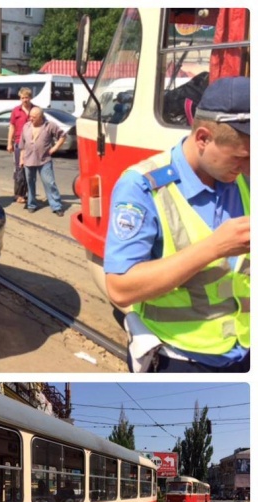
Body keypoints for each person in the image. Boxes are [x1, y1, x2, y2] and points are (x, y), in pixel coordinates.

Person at [104, 76, 250, 373]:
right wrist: (214, 247)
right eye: (240, 157)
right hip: (179, 359)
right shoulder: (142, 186)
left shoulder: (244, 178)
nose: (248, 167)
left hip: (245, 350)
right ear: (203, 139)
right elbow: (120, 288)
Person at [19, 106, 66, 215]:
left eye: (34, 117)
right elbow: (22, 145)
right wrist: (21, 159)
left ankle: (56, 206)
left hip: (44, 160)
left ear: (41, 117)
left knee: (50, 183)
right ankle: (31, 204)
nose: (31, 119)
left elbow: (63, 136)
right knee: (30, 183)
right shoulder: (26, 126)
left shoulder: (49, 125)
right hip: (28, 160)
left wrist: (55, 148)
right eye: (30, 116)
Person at [7, 87, 35, 204]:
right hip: (19, 142)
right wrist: (9, 143)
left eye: (26, 97)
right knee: (19, 169)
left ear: (30, 98)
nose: (24, 100)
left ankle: (29, 194)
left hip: (33, 144)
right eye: (22, 98)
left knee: (31, 169)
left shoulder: (35, 110)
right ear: (20, 98)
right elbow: (12, 127)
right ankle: (18, 194)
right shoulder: (16, 111)